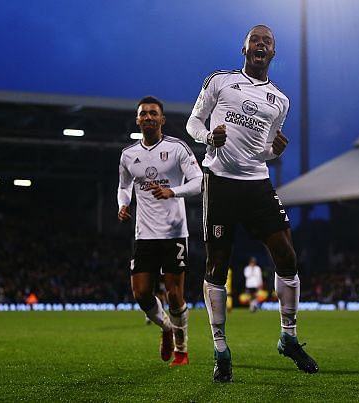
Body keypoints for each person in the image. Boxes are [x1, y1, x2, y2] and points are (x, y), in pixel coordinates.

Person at [186, 25, 319, 382]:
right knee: (217, 263)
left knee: (287, 255)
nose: (261, 44)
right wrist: (207, 137)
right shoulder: (219, 81)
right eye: (256, 40)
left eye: (268, 42)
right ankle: (220, 349)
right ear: (244, 48)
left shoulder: (280, 101)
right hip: (220, 181)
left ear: (273, 53)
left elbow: (260, 151)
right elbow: (193, 123)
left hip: (257, 181)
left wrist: (273, 153)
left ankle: (288, 338)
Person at [118, 96, 203, 366]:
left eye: (153, 113)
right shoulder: (129, 155)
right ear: (137, 119)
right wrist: (123, 204)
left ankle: (182, 349)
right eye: (143, 113)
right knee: (141, 293)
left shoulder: (177, 148)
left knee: (175, 294)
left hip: (174, 233)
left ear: (162, 119)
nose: (148, 117)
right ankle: (166, 328)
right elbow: (123, 186)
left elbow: (199, 181)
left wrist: (172, 191)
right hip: (144, 234)